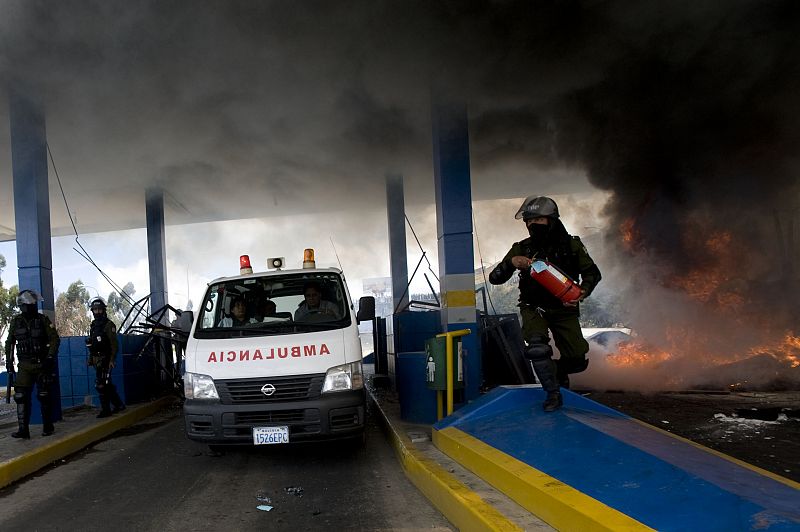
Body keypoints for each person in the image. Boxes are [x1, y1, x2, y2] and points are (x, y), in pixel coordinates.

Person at [489, 195, 601, 412]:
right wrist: (511, 263)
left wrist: (583, 291)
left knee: (577, 359)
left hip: (564, 308)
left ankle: (557, 372)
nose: (533, 225)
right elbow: (495, 278)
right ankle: (553, 394)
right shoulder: (522, 248)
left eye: (538, 220)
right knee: (537, 349)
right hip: (534, 307)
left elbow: (592, 273)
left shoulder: (572, 245)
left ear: (551, 220)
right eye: (529, 221)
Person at [4, 289, 60, 438]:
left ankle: (48, 426)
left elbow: (54, 339)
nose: (33, 307)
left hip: (41, 364)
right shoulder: (16, 322)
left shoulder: (42, 320)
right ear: (22, 306)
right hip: (24, 366)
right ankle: (23, 430)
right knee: (20, 396)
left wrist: (50, 357)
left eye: (34, 304)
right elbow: (9, 342)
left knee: (44, 395)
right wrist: (9, 362)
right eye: (30, 305)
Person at [87, 297, 126, 418]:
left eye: (99, 309)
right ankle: (118, 405)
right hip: (97, 359)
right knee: (106, 384)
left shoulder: (109, 325)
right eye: (95, 310)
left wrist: (112, 360)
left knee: (102, 384)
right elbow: (92, 343)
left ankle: (106, 410)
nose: (97, 312)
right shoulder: (93, 325)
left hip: (106, 358)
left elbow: (114, 344)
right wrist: (90, 358)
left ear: (103, 310)